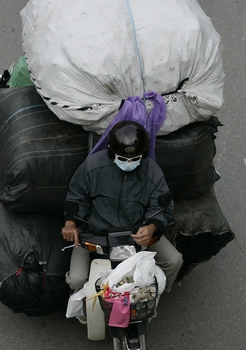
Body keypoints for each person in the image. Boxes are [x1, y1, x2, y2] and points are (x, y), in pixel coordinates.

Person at [61, 120, 183, 293]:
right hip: (95, 233)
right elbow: (76, 196)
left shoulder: (152, 171)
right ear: (111, 153)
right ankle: (82, 305)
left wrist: (151, 227)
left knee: (174, 260)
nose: (128, 163)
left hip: (135, 233)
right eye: (123, 159)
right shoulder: (92, 166)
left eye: (134, 159)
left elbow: (161, 204)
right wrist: (70, 223)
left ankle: (155, 295)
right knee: (76, 278)